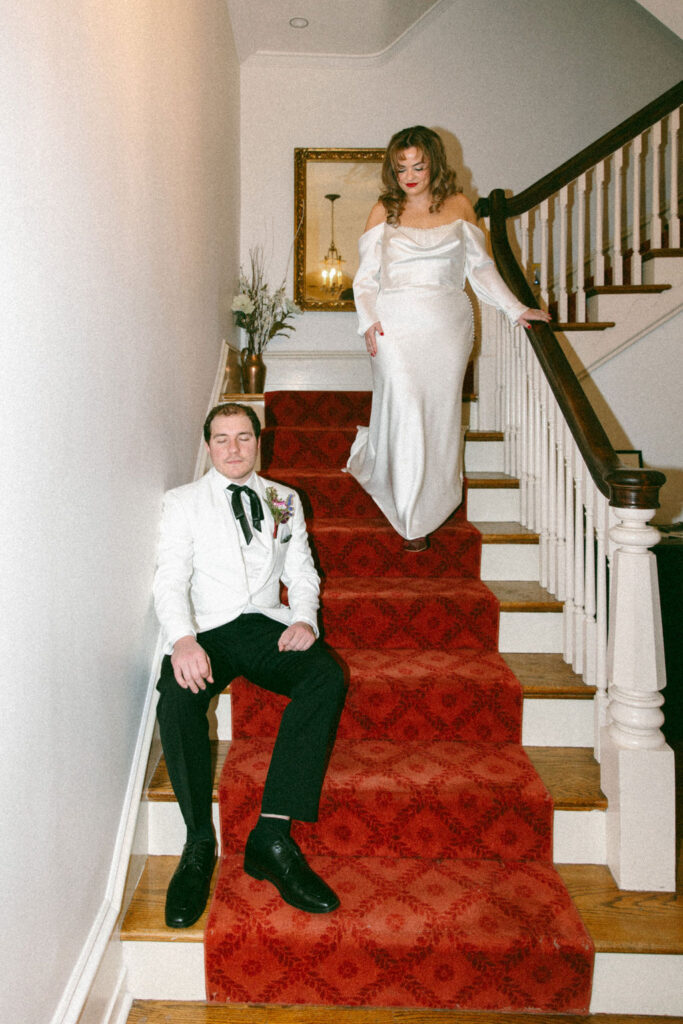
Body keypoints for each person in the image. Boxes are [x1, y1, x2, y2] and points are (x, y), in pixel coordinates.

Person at [153, 402, 345, 927]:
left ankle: (272, 834)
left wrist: (305, 619)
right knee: (174, 696)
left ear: (260, 441)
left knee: (325, 675)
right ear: (208, 445)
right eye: (221, 439)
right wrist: (182, 640)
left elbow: (303, 570)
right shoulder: (183, 503)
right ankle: (197, 843)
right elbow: (169, 579)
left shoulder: (284, 500)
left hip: (264, 625)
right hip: (209, 630)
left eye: (243, 437)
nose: (233, 449)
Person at [345, 125, 551, 551]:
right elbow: (365, 279)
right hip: (393, 325)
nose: (410, 176)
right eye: (401, 168)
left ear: (434, 165)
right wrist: (367, 320)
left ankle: (429, 500)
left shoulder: (459, 206)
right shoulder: (384, 210)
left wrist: (516, 309)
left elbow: (480, 268)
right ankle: (410, 518)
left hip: (447, 327)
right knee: (404, 406)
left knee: (438, 416)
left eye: (418, 165)